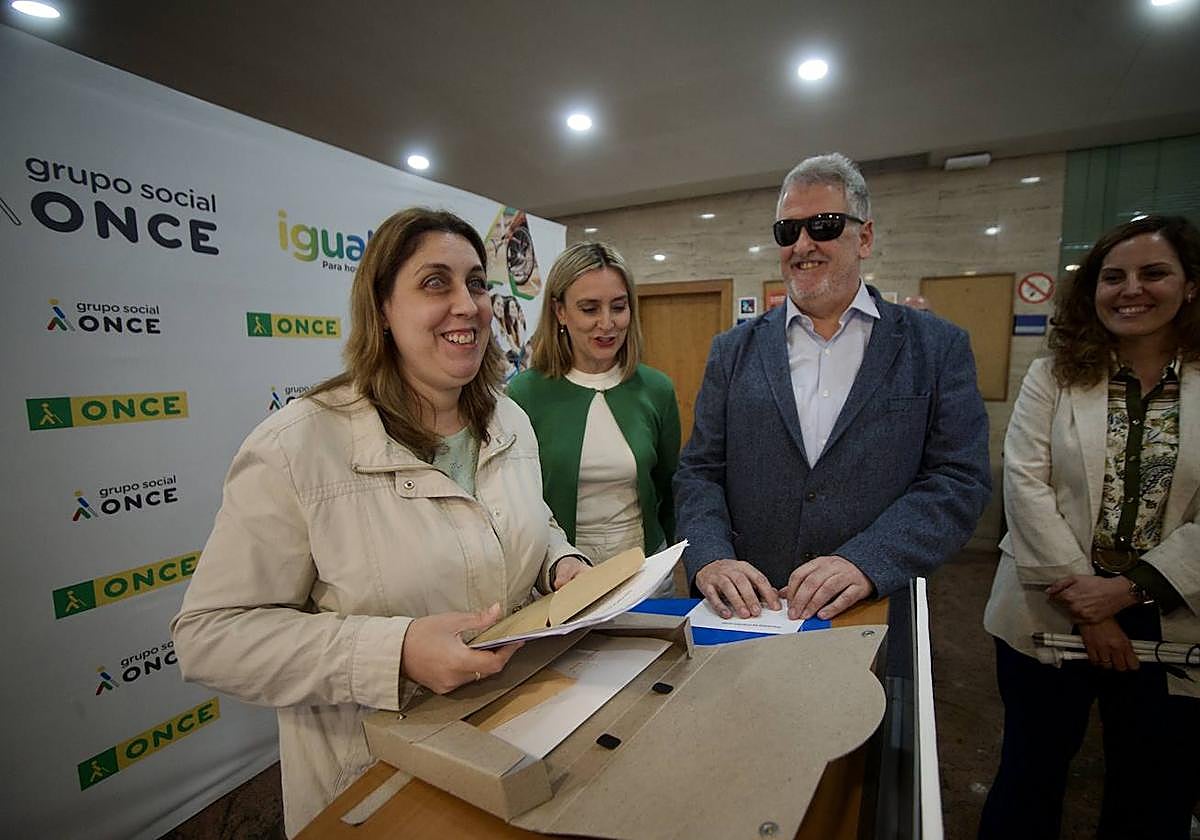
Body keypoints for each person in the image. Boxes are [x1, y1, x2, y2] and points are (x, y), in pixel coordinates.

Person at [171, 208, 589, 837]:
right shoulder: (297, 446)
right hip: (374, 777)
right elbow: (210, 636)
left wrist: (560, 561)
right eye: (434, 283)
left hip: (510, 738)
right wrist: (394, 651)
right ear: (382, 309)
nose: (467, 306)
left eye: (476, 283)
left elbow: (530, 519)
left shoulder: (509, 421)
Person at [674, 152, 990, 637]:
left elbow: (957, 479)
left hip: (870, 611)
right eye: (788, 231)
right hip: (750, 613)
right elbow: (700, 471)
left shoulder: (936, 346)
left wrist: (867, 561)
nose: (803, 244)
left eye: (823, 225)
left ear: (864, 237)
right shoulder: (733, 351)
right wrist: (711, 557)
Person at [979, 215, 1200, 839]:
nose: (1131, 289)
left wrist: (1130, 591)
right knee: (1030, 772)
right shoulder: (1053, 376)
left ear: (1189, 287)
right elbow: (1025, 485)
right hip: (1049, 605)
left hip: (1171, 610)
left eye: (1154, 273)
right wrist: (1091, 608)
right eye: (1114, 277)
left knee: (1154, 785)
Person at [508, 242, 681, 586]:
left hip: (644, 570)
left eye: (618, 307)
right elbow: (520, 502)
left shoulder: (656, 389)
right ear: (560, 312)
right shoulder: (524, 394)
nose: (607, 324)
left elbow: (670, 487)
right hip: (562, 577)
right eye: (589, 309)